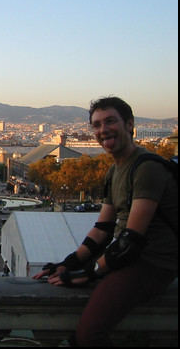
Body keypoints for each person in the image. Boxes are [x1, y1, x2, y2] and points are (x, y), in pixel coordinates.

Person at [33, 96, 178, 347]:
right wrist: (69, 262)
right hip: (129, 258)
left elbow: (131, 239)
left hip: (150, 264)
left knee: (89, 335)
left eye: (110, 121)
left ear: (130, 124)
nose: (103, 130)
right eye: (97, 125)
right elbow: (103, 229)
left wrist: (87, 272)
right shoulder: (114, 170)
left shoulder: (147, 168)